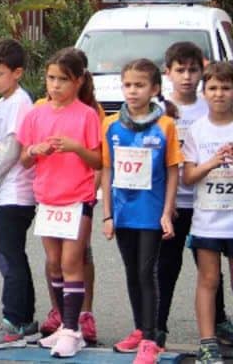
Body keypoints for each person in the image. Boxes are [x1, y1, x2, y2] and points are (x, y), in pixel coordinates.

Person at [18, 47, 102, 359]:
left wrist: (76, 148)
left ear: (78, 81)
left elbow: (98, 159)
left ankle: (71, 328)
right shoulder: (36, 113)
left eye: (63, 80)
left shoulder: (87, 114)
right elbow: (25, 159)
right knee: (53, 263)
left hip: (77, 198)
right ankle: (65, 325)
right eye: (51, 78)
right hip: (47, 198)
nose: (55, 86)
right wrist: (36, 150)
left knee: (71, 263)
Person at [101, 58, 179, 363]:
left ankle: (150, 338)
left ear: (154, 89)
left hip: (151, 212)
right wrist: (107, 215)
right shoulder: (110, 125)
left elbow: (173, 170)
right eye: (128, 85)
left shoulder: (165, 125)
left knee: (147, 271)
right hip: (123, 212)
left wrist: (167, 212)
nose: (132, 91)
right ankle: (138, 328)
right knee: (132, 272)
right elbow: (107, 170)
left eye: (140, 85)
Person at [159, 41, 232, 346]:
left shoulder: (210, 106)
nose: (187, 76)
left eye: (193, 70)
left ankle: (218, 323)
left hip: (214, 206)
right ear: (169, 73)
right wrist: (165, 202)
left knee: (213, 272)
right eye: (180, 70)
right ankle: (157, 326)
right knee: (168, 266)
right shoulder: (161, 108)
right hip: (177, 201)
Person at [0, 38, 39, 351]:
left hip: (17, 190)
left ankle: (13, 322)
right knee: (13, 255)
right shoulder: (2, 104)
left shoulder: (20, 103)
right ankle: (26, 321)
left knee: (9, 257)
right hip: (3, 189)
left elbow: (14, 150)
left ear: (17, 72)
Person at [182, 60, 233, 364]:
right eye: (213, 88)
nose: (219, 94)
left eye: (226, 88)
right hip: (208, 221)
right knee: (208, 279)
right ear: (204, 93)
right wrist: (212, 162)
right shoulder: (197, 131)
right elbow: (188, 177)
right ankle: (207, 342)